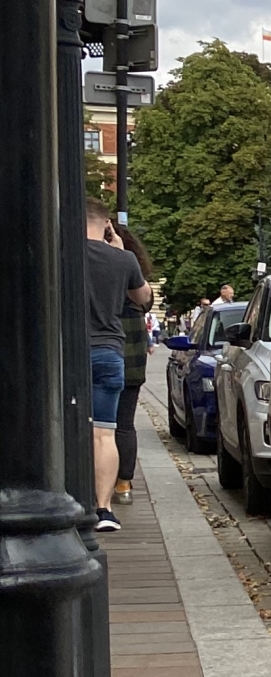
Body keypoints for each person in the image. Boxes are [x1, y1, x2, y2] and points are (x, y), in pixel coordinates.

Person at [86, 199, 151, 531]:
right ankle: (106, 506)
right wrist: (121, 248)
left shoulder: (65, 255)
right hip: (112, 353)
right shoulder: (123, 259)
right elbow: (145, 298)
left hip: (73, 352)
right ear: (106, 224)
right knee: (108, 431)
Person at [110, 219, 157, 505]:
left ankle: (122, 480)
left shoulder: (121, 270)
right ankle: (122, 483)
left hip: (123, 354)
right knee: (122, 423)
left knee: (120, 423)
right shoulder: (130, 269)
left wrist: (120, 257)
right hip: (129, 356)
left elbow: (145, 300)